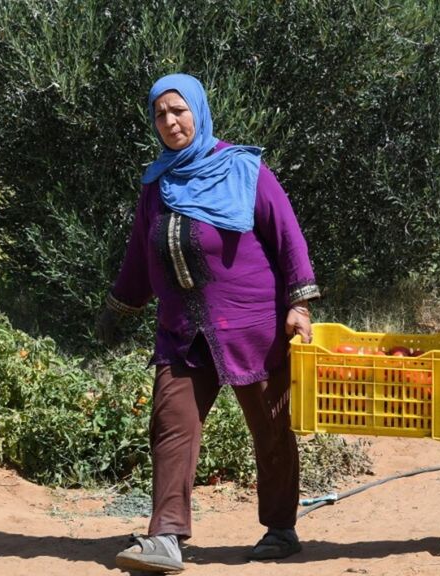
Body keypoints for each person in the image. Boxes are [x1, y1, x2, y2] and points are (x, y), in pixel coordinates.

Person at [96, 73, 320, 573]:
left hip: (253, 328)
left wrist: (299, 305)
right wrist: (119, 306)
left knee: (272, 427)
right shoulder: (157, 183)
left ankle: (280, 528)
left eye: (179, 110)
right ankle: (167, 536)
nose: (171, 121)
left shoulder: (243, 168)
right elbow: (140, 255)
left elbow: (288, 238)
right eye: (160, 114)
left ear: (198, 110)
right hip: (182, 330)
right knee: (171, 425)